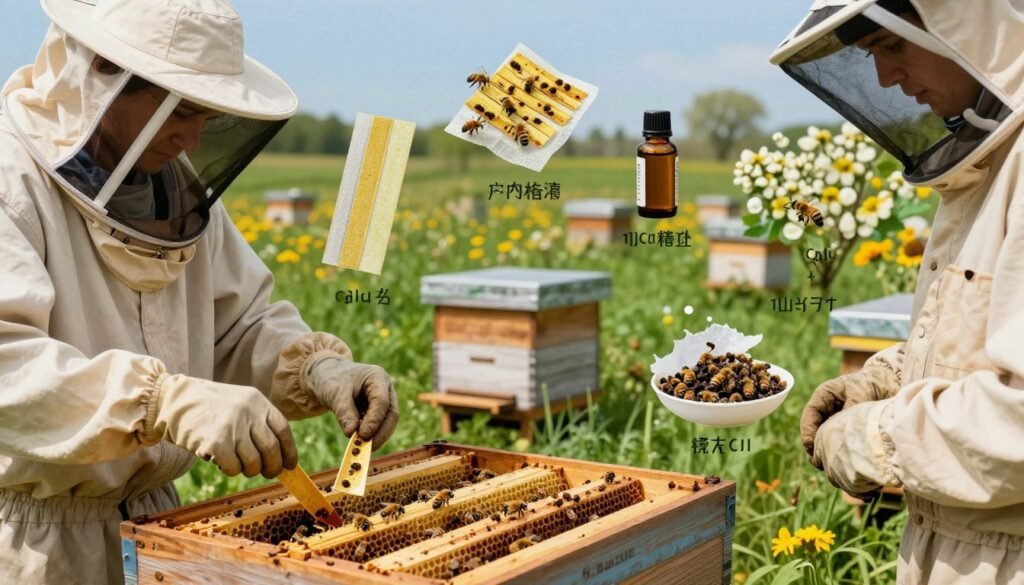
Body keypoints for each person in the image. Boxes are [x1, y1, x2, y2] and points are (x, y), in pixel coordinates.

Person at [0, 1, 398, 582]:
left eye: (206, 116)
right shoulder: (13, 183)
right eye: (180, 109)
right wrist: (164, 402)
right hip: (37, 544)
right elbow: (9, 367)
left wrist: (318, 372)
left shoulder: (173, 191)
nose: (190, 138)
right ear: (102, 75)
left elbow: (236, 328)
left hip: (162, 522)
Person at [773, 0, 1024, 583]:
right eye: (870, 55)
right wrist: (886, 376)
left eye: (891, 46)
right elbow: (983, 335)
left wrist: (872, 436)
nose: (886, 78)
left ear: (964, 19)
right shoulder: (990, 156)